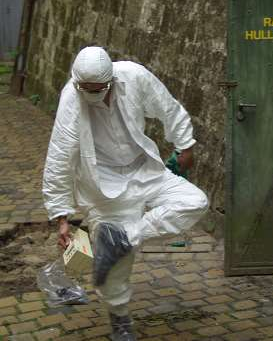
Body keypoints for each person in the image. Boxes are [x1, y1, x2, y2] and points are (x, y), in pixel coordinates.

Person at [42, 46, 209, 341]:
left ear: (111, 80)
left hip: (146, 171)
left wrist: (186, 145)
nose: (92, 93)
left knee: (194, 201)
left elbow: (167, 106)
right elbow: (60, 155)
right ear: (77, 82)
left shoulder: (133, 76)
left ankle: (124, 237)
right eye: (85, 88)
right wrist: (61, 216)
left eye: (98, 88)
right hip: (104, 188)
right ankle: (120, 319)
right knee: (113, 269)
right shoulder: (71, 97)